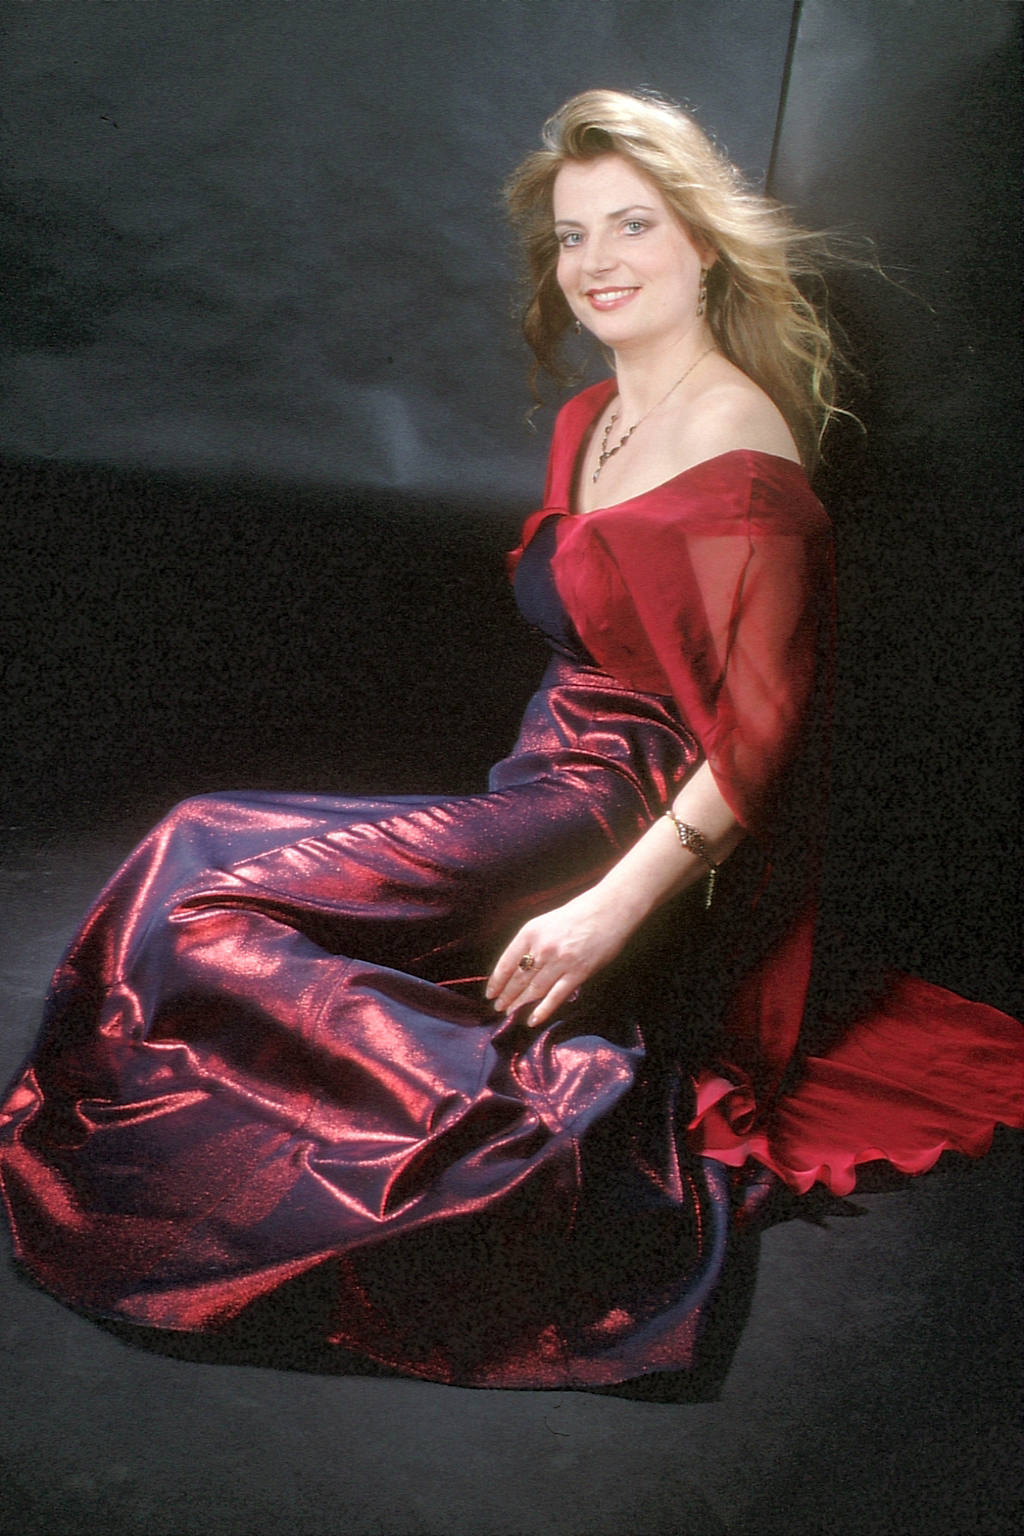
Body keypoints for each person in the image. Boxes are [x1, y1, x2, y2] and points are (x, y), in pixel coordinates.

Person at [1, 90, 1020, 1391]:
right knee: (200, 862)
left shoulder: (737, 448)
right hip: (539, 782)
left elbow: (763, 741)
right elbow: (583, 639)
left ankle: (561, 1112)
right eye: (571, 235)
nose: (596, 262)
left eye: (633, 226)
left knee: (204, 880)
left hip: (626, 811)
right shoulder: (590, 420)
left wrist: (606, 909)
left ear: (703, 243)